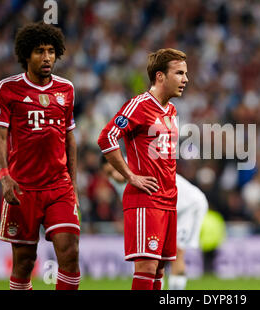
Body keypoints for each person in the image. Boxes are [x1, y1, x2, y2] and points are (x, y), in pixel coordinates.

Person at [0, 22, 80, 290]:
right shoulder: (7, 89)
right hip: (22, 188)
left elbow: (69, 137)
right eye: (40, 51)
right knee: (25, 262)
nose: (47, 57)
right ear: (26, 55)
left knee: (70, 253)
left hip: (58, 187)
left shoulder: (66, 89)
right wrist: (5, 177)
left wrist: (73, 184)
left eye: (51, 51)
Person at [97, 48, 188, 290]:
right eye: (179, 73)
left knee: (158, 268)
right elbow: (106, 138)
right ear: (160, 76)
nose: (185, 79)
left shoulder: (171, 110)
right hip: (145, 200)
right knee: (146, 267)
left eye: (185, 73)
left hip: (168, 199)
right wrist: (130, 176)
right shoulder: (138, 105)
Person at [103, 161, 208, 290]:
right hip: (165, 208)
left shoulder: (135, 166)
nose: (113, 176)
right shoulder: (118, 181)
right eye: (109, 173)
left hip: (189, 206)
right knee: (155, 257)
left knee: (178, 251)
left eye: (114, 171)